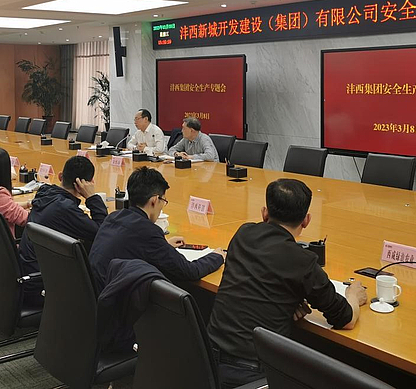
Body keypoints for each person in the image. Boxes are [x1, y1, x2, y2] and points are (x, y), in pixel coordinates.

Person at [207, 178, 368, 388]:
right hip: (254, 375)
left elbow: (255, 282)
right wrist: (353, 296)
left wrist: (287, 301)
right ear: (306, 221)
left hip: (207, 359)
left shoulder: (243, 234)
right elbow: (345, 320)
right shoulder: (303, 261)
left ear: (265, 213)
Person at [89, 166, 225, 293]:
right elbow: (189, 271)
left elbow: (135, 246)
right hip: (114, 301)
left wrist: (163, 245)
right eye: (163, 201)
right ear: (154, 200)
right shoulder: (147, 232)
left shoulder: (113, 217)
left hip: (94, 294)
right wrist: (217, 256)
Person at [18, 155, 107, 306]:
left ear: (60, 176)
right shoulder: (64, 208)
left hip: (27, 275)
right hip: (40, 285)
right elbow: (102, 233)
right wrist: (92, 197)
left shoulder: (45, 192)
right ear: (85, 184)